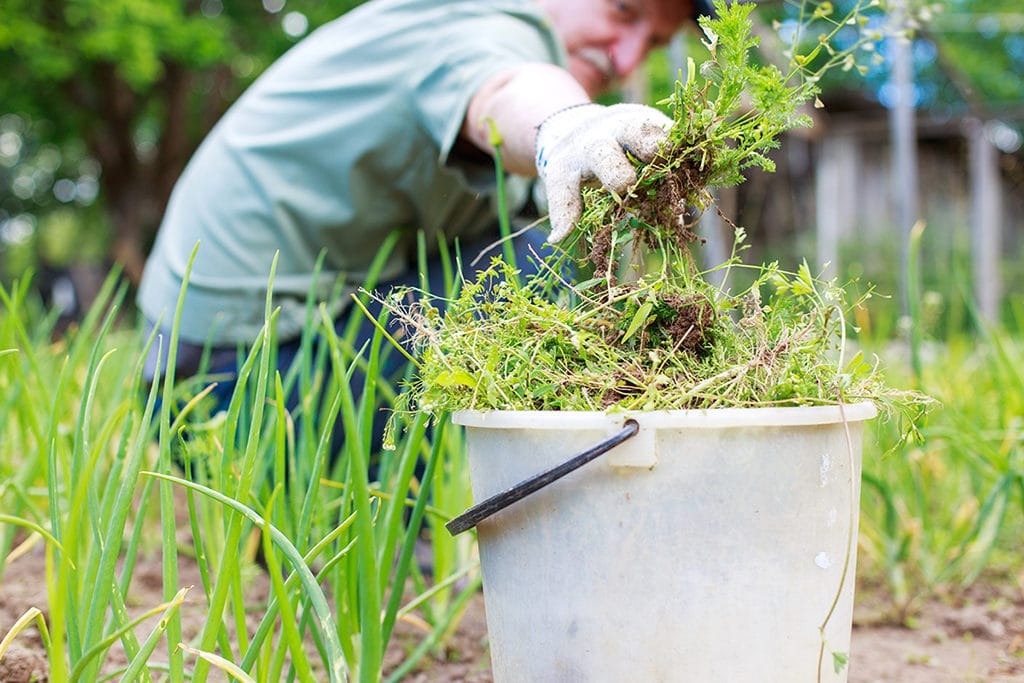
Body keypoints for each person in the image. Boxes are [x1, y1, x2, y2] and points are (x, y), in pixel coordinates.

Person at [138, 0, 709, 441]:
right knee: (534, 268)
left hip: (224, 370)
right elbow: (504, 88)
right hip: (226, 391)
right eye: (624, 10)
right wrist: (567, 124)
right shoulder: (484, 21)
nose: (627, 58)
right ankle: (389, 520)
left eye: (654, 43)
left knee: (527, 250)